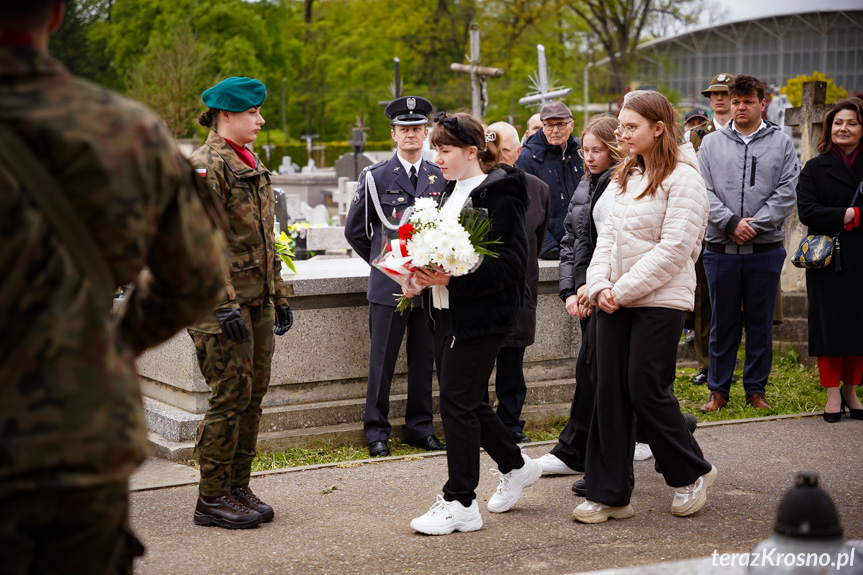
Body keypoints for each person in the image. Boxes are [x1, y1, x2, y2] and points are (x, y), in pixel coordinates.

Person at [0, 1, 229, 571]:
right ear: (54, 14)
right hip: (70, 441)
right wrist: (113, 341)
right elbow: (198, 276)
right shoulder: (123, 130)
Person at [573, 91, 716, 524]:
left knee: (644, 387)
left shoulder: (684, 179)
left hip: (659, 300)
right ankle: (610, 493)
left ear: (658, 128)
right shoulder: (625, 176)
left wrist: (624, 289)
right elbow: (607, 240)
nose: (621, 132)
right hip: (614, 299)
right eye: (620, 124)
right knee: (608, 391)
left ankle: (690, 474)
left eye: (630, 126)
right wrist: (597, 285)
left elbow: (676, 249)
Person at [409, 113, 541, 536]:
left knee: (456, 404)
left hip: (483, 315)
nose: (438, 158)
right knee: (468, 401)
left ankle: (461, 501)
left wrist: (451, 280)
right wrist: (418, 277)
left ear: (471, 151)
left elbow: (512, 266)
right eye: (437, 150)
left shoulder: (500, 191)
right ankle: (516, 465)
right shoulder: (447, 190)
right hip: (445, 310)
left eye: (445, 150)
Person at [188, 77, 294, 529]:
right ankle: (211, 498)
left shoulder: (246, 159)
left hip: (257, 300)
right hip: (220, 306)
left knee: (252, 397)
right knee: (229, 396)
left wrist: (280, 294)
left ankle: (236, 485)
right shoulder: (207, 165)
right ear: (226, 115)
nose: (261, 119)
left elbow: (265, 238)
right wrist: (223, 302)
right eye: (253, 112)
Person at [344, 96, 446, 457]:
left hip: (429, 286)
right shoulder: (375, 177)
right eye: (404, 129)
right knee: (382, 360)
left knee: (424, 359)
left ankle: (420, 428)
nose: (411, 135)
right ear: (393, 134)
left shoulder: (440, 175)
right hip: (390, 286)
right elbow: (356, 231)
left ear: (427, 133)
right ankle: (376, 432)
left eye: (417, 128)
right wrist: (386, 265)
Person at [697, 74, 799, 414]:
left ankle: (755, 389)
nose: (741, 107)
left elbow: (787, 191)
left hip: (764, 249)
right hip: (720, 249)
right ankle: (718, 390)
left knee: (760, 323)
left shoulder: (781, 143)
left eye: (748, 102)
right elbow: (703, 190)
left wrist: (755, 224)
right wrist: (729, 223)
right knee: (721, 322)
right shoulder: (710, 144)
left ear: (762, 104)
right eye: (736, 101)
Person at [539, 114, 628, 476]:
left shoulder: (621, 184)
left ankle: (575, 450)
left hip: (610, 290)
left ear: (614, 150)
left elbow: (613, 246)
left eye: (597, 151)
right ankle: (661, 434)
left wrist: (591, 287)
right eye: (584, 151)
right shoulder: (586, 184)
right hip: (586, 288)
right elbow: (572, 242)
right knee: (596, 372)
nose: (589, 158)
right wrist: (571, 290)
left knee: (598, 373)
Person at [796, 97, 863, 422]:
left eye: (851, 122)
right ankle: (832, 392)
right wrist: (848, 214)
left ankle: (852, 389)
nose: (844, 128)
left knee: (859, 327)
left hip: (862, 258)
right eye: (838, 123)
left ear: (862, 128)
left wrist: (853, 216)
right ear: (829, 127)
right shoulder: (814, 167)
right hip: (828, 261)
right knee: (829, 326)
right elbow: (808, 211)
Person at [485, 121, 550, 444]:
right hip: (482, 292)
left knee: (513, 364)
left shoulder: (537, 189)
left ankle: (510, 424)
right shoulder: (475, 186)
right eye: (492, 149)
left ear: (518, 152)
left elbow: (536, 239)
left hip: (520, 290)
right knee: (478, 364)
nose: (497, 157)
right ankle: (480, 423)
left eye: (504, 151)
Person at [516, 101, 585, 260]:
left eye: (561, 124)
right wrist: (547, 246)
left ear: (571, 126)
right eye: (549, 125)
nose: (555, 130)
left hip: (583, 245)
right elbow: (525, 208)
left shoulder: (582, 151)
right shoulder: (527, 157)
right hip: (548, 250)